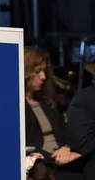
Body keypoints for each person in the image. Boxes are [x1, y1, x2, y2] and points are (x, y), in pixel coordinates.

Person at [23, 46, 82, 179]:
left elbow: (67, 135)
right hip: (44, 163)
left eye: (44, 72)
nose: (43, 77)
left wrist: (67, 148)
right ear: (26, 72)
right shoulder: (16, 108)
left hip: (60, 159)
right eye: (38, 71)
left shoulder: (47, 106)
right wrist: (54, 157)